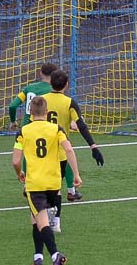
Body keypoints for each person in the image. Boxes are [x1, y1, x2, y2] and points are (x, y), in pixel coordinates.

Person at [12, 96, 82, 265]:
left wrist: (19, 173)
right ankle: (38, 258)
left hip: (35, 184)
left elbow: (16, 160)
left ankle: (55, 255)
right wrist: (76, 174)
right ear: (47, 111)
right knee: (35, 217)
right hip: (54, 183)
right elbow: (68, 150)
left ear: (30, 113)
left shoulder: (24, 131)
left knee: (41, 221)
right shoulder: (56, 128)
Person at [9, 63, 82, 202]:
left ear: (41, 73)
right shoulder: (53, 90)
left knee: (28, 155)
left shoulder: (29, 88)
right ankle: (71, 190)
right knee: (61, 155)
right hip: (48, 128)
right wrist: (72, 122)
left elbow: (12, 105)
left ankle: (27, 186)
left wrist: (13, 121)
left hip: (28, 127)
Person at [42, 70, 104, 232]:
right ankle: (56, 221)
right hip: (61, 152)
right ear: (67, 85)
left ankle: (45, 217)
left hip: (42, 153)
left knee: (45, 188)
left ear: (50, 83)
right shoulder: (69, 103)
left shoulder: (42, 100)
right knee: (56, 188)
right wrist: (93, 146)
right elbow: (81, 126)